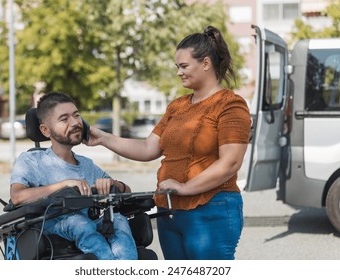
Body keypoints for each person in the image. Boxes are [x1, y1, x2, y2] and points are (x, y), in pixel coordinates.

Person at [87, 26, 251, 260]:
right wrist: (103, 138)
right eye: (177, 67)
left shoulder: (230, 105)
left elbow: (231, 163)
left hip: (211, 209)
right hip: (170, 211)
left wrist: (185, 188)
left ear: (205, 63)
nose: (179, 72)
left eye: (184, 66)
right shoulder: (177, 106)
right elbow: (147, 148)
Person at [10, 92, 138, 260]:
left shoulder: (86, 164)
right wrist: (65, 184)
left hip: (92, 224)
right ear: (45, 130)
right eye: (64, 119)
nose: (75, 122)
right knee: (78, 222)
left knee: (119, 220)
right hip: (53, 227)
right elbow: (17, 196)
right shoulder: (31, 160)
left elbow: (126, 191)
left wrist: (114, 184)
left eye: (77, 116)